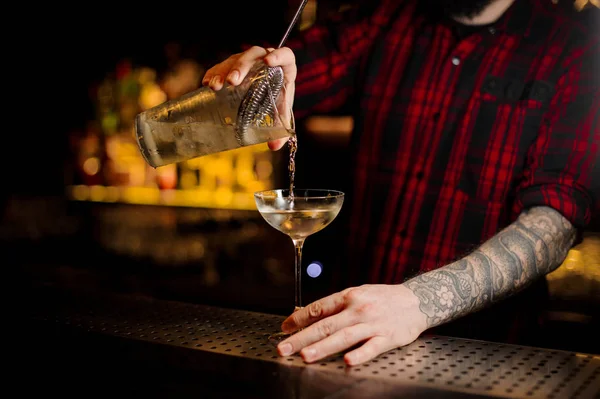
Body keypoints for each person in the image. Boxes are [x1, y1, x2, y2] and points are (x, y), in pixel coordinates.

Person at [203, 0, 599, 365]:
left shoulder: (575, 43)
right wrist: (263, 77)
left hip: (489, 355)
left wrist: (419, 303)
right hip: (351, 346)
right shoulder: (387, 14)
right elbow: (296, 72)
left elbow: (555, 222)